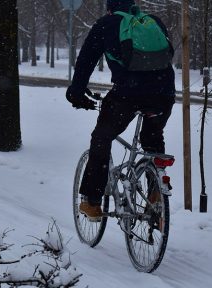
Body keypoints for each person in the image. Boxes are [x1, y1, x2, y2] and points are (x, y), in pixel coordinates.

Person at [66, 0, 175, 221]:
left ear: (110, 7)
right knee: (152, 138)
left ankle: (93, 202)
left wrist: (76, 92)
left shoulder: (107, 23)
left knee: (102, 137)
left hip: (128, 94)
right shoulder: (153, 22)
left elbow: (86, 60)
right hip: (163, 94)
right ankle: (155, 193)